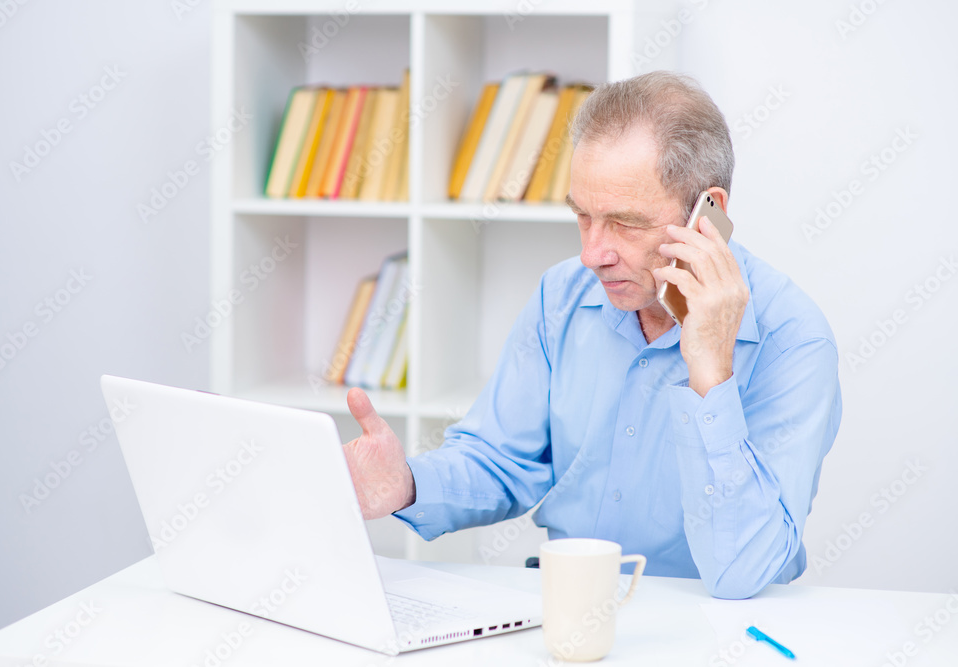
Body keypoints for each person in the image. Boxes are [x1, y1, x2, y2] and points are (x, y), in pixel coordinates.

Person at [342, 71, 842, 600]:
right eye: (583, 216)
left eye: (626, 223)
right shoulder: (561, 295)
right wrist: (405, 485)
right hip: (569, 610)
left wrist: (711, 373)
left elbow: (744, 570)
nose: (592, 254)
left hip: (716, 629)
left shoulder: (794, 341)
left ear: (707, 214)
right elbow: (501, 460)